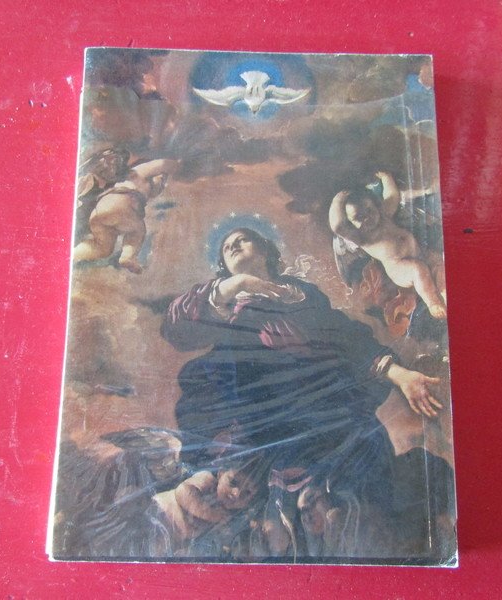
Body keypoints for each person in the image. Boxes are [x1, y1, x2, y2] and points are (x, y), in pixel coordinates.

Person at [161, 227, 450, 558]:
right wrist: (238, 284)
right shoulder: (223, 300)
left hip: (319, 403)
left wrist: (399, 374)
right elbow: (175, 328)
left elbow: (343, 336)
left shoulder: (300, 294)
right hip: (254, 411)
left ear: (265, 250)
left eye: (243, 239)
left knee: (369, 473)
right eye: (227, 246)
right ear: (224, 268)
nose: (234, 245)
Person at [329, 172, 447, 319]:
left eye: (369, 210)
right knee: (418, 269)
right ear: (351, 223)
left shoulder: (384, 216)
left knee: (438, 263)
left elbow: (393, 196)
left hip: (419, 253)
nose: (367, 218)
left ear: (376, 206)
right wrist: (337, 201)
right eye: (359, 217)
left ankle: (445, 292)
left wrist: (387, 178)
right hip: (399, 266)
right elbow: (338, 226)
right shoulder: (361, 237)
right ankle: (432, 302)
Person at [73, 158, 179, 273]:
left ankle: (73, 254)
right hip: (118, 203)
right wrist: (178, 164)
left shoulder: (142, 192)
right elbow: (161, 164)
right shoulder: (138, 174)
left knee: (103, 248)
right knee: (138, 230)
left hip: (99, 213)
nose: (164, 184)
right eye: (162, 178)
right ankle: (128, 257)